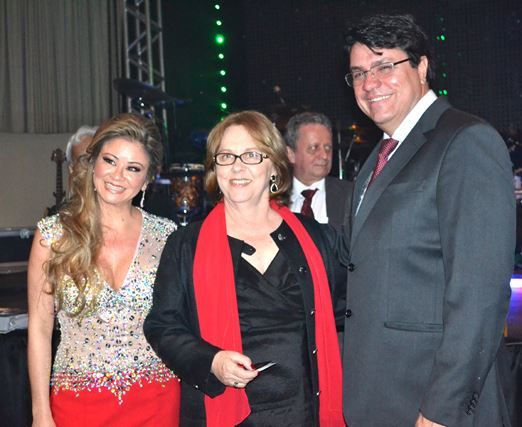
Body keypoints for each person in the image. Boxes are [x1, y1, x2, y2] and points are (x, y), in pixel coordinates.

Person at [340, 13, 515, 427]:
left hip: (430, 403)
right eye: (359, 73)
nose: (369, 83)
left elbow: (479, 296)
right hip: (380, 396)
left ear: (421, 67)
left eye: (384, 66)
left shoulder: (465, 141)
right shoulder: (379, 156)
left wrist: (442, 410)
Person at [144, 110, 344, 426]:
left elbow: (350, 315)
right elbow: (162, 326)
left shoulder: (318, 238)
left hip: (304, 409)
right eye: (226, 156)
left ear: (274, 166)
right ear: (215, 168)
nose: (237, 167)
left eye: (251, 155)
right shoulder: (185, 244)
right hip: (227, 411)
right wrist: (212, 361)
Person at [27, 113, 180, 427]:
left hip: (156, 401)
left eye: (133, 168)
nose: (117, 176)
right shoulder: (53, 235)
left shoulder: (167, 237)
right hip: (76, 403)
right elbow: (40, 329)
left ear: (147, 180)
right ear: (93, 162)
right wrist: (40, 413)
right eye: (110, 161)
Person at [285, 111, 353, 231]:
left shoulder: (351, 196)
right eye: (314, 148)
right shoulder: (271, 200)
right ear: (290, 154)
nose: (324, 156)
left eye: (328, 148)